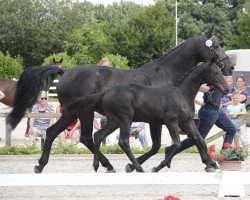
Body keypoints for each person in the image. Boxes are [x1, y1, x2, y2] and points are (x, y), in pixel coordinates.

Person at [165, 85, 237, 164]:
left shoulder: (220, 78)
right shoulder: (210, 75)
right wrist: (210, 88)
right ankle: (171, 149)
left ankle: (223, 156)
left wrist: (225, 92)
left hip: (217, 110)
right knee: (198, 138)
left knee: (231, 129)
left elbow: (221, 92)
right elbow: (199, 86)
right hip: (208, 111)